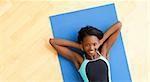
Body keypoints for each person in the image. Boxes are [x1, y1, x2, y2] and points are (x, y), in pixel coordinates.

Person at [49, 21, 122, 82]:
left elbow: (118, 25)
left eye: (94, 44)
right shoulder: (80, 61)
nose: (91, 48)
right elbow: (53, 42)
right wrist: (78, 46)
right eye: (87, 45)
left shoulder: (104, 53)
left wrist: (101, 41)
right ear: (82, 44)